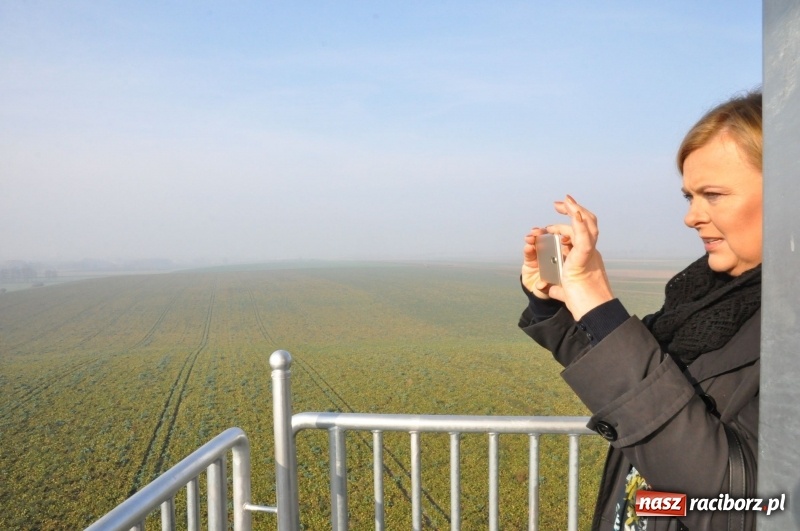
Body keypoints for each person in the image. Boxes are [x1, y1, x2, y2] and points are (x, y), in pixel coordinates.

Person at [518, 91, 762, 531]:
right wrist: (559, 301)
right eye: (689, 196)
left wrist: (596, 297)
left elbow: (734, 504)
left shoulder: (782, 329)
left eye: (713, 194)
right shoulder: (703, 299)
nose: (692, 217)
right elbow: (636, 382)